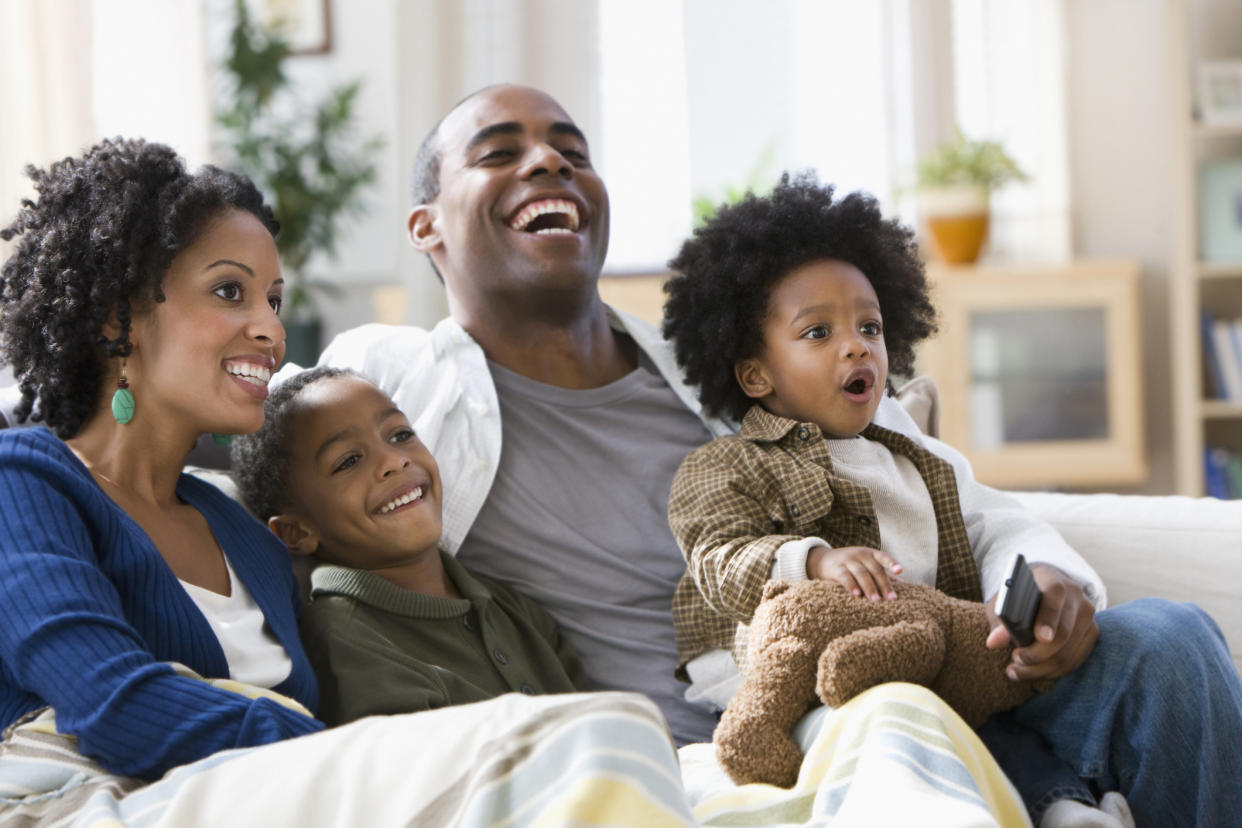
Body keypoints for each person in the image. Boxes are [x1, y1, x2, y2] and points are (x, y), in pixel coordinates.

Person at [316, 83, 1242, 826]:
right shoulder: (397, 383)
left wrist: (1042, 576)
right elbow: (289, 455)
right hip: (754, 727)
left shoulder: (727, 367)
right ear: (426, 226)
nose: (548, 159)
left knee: (1171, 642)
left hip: (932, 656)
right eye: (499, 152)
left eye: (570, 147)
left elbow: (953, 491)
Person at [0, 137, 692, 827]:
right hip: (85, 803)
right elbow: (112, 703)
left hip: (273, 799)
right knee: (597, 736)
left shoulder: (243, 531)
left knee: (606, 739)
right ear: (118, 317)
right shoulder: (28, 481)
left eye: (273, 300)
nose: (269, 330)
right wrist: (340, 753)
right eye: (229, 291)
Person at [660, 173, 1136, 827]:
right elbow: (719, 557)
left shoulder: (916, 460)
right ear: (755, 373)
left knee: (995, 734)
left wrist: (1031, 589)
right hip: (797, 682)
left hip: (925, 657)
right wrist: (813, 561)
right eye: (817, 333)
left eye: (870, 326)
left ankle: (1065, 810)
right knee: (897, 730)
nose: (857, 343)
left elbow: (995, 526)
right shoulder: (726, 465)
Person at [230, 366, 584, 725]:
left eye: (400, 435)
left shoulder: (513, 609)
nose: (394, 461)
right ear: (295, 532)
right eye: (349, 461)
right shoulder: (346, 642)